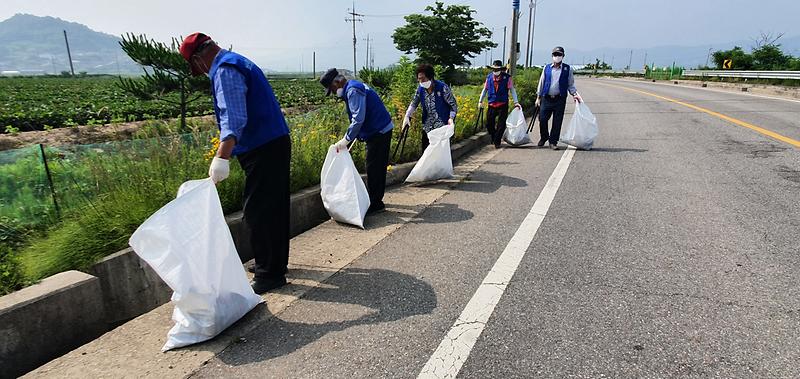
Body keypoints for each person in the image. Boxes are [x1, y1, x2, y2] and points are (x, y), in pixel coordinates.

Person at [179, 33, 291, 294]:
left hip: (263, 146)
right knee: (274, 207)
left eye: (196, 67)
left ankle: (269, 274)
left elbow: (234, 117)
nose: (200, 72)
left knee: (258, 211)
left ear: (198, 58)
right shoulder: (237, 61)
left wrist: (222, 156)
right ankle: (273, 265)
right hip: (273, 142)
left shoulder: (225, 69)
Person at [320, 68, 393, 215]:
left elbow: (358, 118)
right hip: (378, 129)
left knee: (374, 167)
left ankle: (376, 204)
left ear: (337, 82)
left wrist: (346, 139)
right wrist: (353, 136)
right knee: (375, 166)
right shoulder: (353, 86)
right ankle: (375, 199)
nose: (334, 93)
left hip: (379, 131)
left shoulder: (353, 90)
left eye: (332, 89)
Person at [402, 63, 458, 151]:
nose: (421, 82)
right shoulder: (420, 89)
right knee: (426, 152)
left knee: (440, 154)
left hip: (442, 127)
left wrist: (451, 118)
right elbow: (414, 103)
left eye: (423, 79)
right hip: (427, 127)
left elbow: (453, 105)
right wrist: (407, 115)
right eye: (419, 79)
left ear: (430, 77)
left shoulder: (442, 88)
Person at [535, 46, 582, 150]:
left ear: (563, 56)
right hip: (546, 98)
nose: (557, 56)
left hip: (560, 99)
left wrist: (574, 94)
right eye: (555, 54)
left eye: (559, 54)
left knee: (557, 122)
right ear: (552, 56)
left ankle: (553, 142)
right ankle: (544, 137)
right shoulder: (547, 68)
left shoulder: (567, 69)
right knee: (542, 119)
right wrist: (538, 97)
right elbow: (541, 82)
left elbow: (570, 84)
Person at [478, 60, 521, 148]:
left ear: (501, 69)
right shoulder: (489, 77)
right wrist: (480, 101)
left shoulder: (507, 78)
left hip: (503, 104)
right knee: (489, 124)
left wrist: (516, 102)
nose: (495, 71)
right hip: (492, 103)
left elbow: (512, 90)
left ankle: (497, 141)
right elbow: (485, 89)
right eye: (494, 69)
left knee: (501, 124)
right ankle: (494, 136)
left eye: (497, 69)